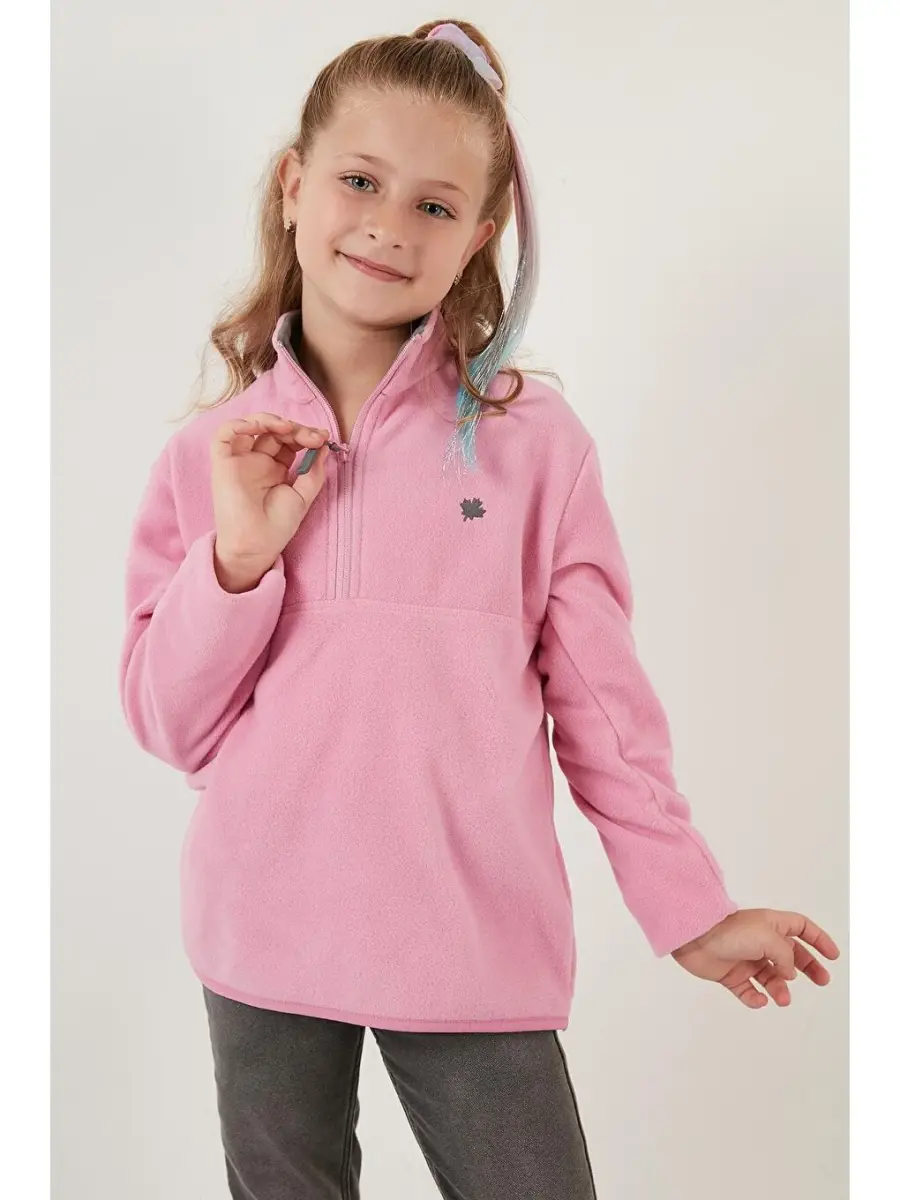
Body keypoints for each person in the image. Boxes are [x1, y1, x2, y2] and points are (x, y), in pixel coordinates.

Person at [118, 19, 841, 1200]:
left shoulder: (535, 448)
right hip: (260, 934)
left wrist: (688, 909)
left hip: (469, 940)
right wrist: (238, 559)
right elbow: (170, 725)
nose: (389, 227)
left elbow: (605, 709)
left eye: (435, 205)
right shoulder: (216, 454)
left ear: (481, 234)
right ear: (295, 185)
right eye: (360, 181)